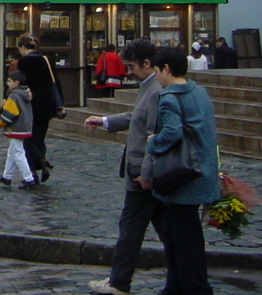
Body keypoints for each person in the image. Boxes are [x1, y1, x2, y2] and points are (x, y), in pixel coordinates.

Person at [84, 38, 163, 295]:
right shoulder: (149, 86)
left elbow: (152, 133)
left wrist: (145, 173)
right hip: (144, 173)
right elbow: (134, 117)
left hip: (142, 174)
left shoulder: (155, 90)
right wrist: (106, 121)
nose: (128, 72)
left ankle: (119, 282)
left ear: (147, 63)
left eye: (131, 67)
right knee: (165, 231)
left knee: (130, 228)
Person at [140, 46, 220, 295]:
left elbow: (172, 133)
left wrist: (153, 141)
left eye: (157, 72)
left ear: (165, 69)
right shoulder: (200, 92)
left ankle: (195, 288)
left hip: (180, 177)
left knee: (182, 239)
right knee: (182, 235)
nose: (157, 78)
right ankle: (175, 286)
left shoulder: (169, 97)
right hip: (201, 171)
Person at [15, 36, 62, 182]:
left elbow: (23, 83)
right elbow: (56, 82)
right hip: (47, 104)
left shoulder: (24, 62)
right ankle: (40, 168)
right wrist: (60, 103)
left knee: (27, 138)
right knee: (40, 138)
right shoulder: (46, 60)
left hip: (32, 104)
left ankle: (37, 166)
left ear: (23, 48)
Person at [0, 70, 37, 189]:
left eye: (9, 81)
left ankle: (28, 179)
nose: (7, 84)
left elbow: (10, 113)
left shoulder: (14, 95)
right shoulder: (24, 93)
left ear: (16, 82)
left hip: (16, 127)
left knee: (18, 153)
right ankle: (7, 176)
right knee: (12, 152)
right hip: (25, 126)